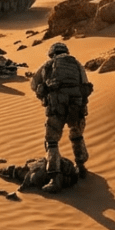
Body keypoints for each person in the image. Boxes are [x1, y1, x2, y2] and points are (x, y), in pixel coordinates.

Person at [30, 41, 93, 193]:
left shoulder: (48, 64)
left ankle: (54, 177)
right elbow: (85, 84)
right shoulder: (77, 64)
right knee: (77, 136)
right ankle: (81, 167)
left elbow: (33, 84)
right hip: (76, 107)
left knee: (52, 141)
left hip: (56, 107)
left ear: (52, 53)